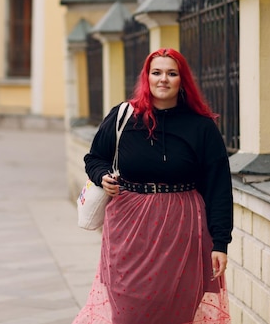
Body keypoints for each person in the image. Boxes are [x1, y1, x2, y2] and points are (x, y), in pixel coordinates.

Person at [72, 48, 233, 324]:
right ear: (146, 77)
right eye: (156, 73)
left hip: (182, 230)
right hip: (128, 231)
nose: (163, 79)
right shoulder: (124, 116)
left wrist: (220, 242)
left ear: (182, 80)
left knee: (177, 309)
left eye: (172, 73)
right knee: (127, 310)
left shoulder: (201, 127)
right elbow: (94, 158)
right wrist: (102, 176)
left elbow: (219, 187)